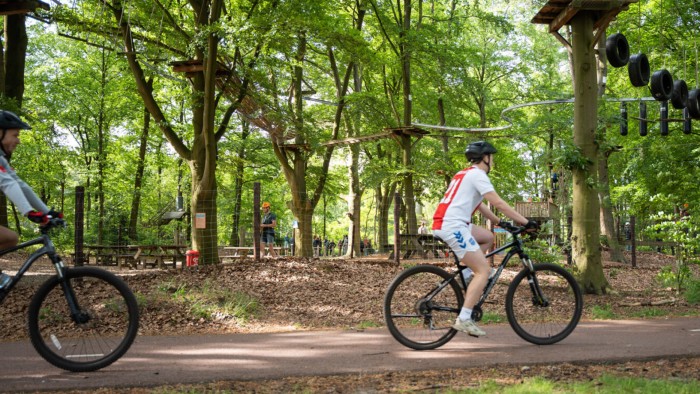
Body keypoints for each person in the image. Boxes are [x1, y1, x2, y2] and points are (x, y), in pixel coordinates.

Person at [432, 141, 537, 337]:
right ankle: (464, 318)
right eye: (492, 157)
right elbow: (497, 201)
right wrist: (525, 222)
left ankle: (466, 274)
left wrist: (501, 223)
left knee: (488, 237)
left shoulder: (464, 174)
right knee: (484, 270)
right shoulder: (478, 175)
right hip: (454, 225)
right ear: (486, 158)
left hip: (453, 223)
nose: (493, 161)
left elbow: (480, 205)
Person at [0, 110, 62, 289]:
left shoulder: (2, 160)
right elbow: (6, 183)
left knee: (10, 238)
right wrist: (29, 212)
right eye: (15, 135)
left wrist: (46, 212)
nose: (18, 140)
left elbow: (20, 184)